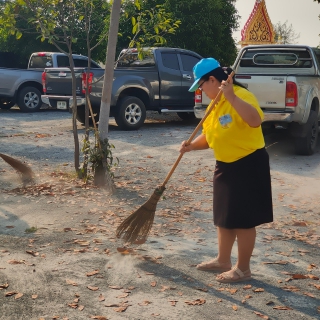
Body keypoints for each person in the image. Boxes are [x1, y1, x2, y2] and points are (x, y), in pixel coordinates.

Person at [180, 58, 273, 283]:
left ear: (213, 80)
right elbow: (211, 137)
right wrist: (191, 146)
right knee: (224, 217)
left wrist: (231, 96)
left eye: (201, 86)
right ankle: (223, 260)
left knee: (243, 220)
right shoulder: (215, 104)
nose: (201, 91)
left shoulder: (240, 95)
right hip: (225, 166)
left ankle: (243, 269)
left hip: (248, 164)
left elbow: (255, 120)